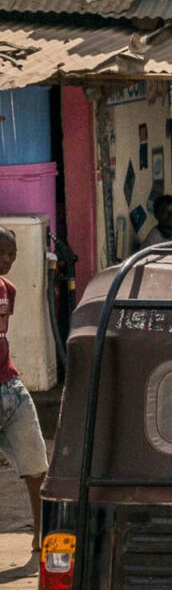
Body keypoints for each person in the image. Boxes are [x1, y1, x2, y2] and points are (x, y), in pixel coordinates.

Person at [0, 228, 46, 550]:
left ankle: (41, 536)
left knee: (36, 464)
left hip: (10, 388)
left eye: (12, 255)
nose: (7, 261)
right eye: (3, 254)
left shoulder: (8, 290)